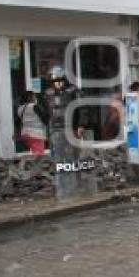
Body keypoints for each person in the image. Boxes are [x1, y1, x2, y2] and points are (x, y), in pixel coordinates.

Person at [35, 66, 90, 197]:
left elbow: (83, 109)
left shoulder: (73, 91)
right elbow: (46, 113)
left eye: (60, 81)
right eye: (55, 82)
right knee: (58, 158)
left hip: (70, 128)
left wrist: (81, 125)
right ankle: (61, 185)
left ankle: (76, 183)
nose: (57, 84)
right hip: (55, 130)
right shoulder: (48, 94)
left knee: (73, 157)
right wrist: (39, 112)